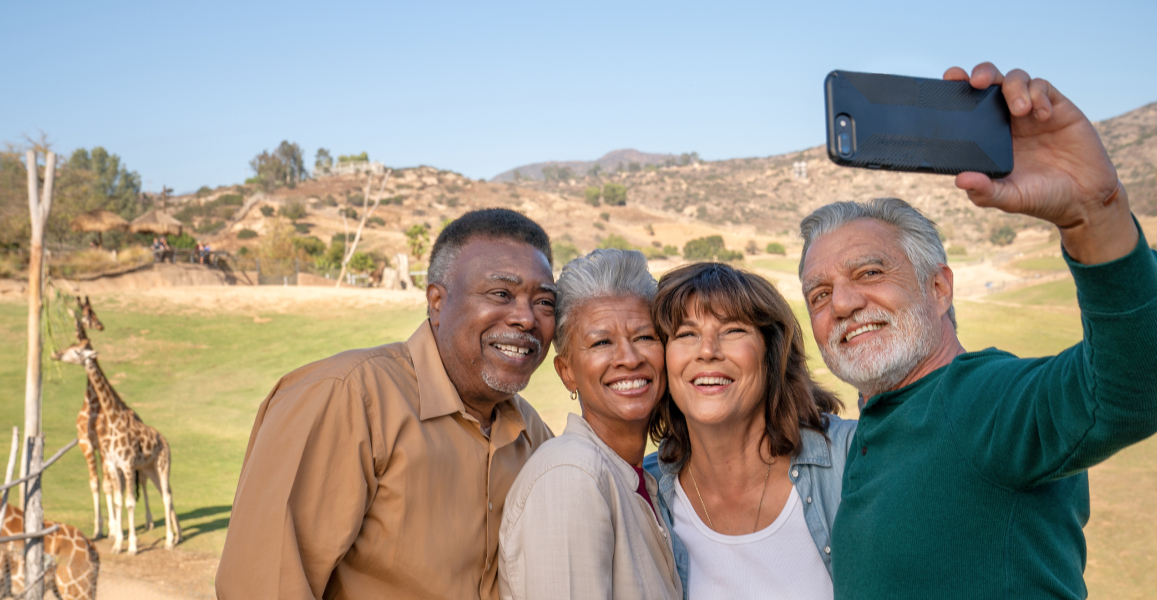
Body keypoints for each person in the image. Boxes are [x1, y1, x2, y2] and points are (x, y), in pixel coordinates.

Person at [797, 62, 1157, 600]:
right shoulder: (875, 429)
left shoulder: (978, 399)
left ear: (939, 290)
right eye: (819, 295)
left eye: (869, 272)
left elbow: (1132, 387)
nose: (841, 303)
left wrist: (1092, 216)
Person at [216, 208, 558, 599]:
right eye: (501, 294)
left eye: (545, 302)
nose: (526, 319)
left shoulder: (532, 435)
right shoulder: (346, 397)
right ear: (436, 302)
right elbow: (262, 588)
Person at [643, 262, 853, 600]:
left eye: (732, 331)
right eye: (686, 334)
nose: (708, 351)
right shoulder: (644, 496)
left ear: (772, 354)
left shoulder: (850, 458)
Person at [498, 249, 683, 600]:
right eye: (601, 342)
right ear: (567, 372)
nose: (629, 358)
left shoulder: (640, 478)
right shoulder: (571, 476)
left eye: (644, 336)